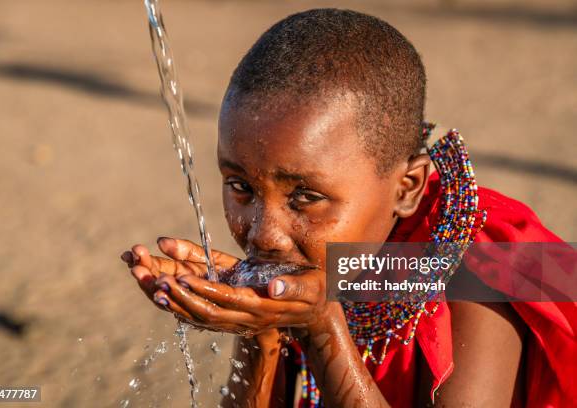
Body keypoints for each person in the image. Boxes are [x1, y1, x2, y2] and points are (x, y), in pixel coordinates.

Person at [121, 9, 575, 407]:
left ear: (407, 188)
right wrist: (258, 331)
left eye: (305, 197)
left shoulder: (482, 269)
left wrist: (321, 325)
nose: (263, 234)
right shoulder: (305, 269)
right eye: (241, 186)